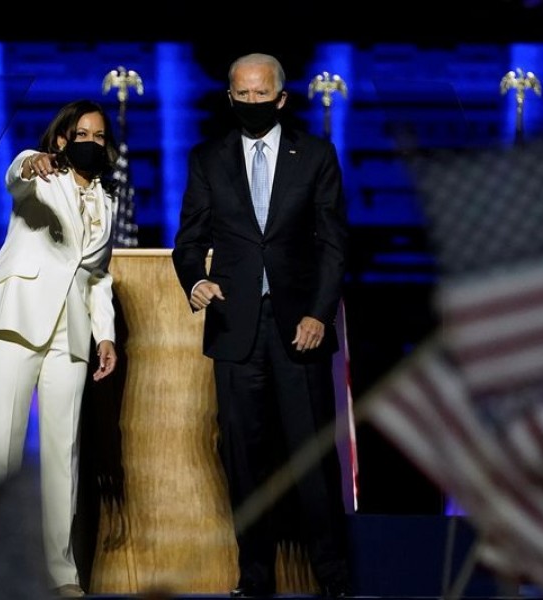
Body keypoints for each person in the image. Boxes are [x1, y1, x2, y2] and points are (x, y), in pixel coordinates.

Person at [172, 52, 351, 598]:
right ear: (230, 97)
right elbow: (189, 241)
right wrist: (194, 282)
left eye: (260, 94)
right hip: (235, 327)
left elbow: (334, 244)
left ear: (281, 97)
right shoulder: (208, 158)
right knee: (245, 461)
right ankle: (254, 580)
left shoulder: (316, 155)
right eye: (241, 95)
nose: (251, 103)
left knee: (311, 460)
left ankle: (335, 580)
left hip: (299, 327)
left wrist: (319, 313)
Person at [0, 99, 120, 598]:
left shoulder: (108, 202)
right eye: (82, 134)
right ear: (61, 140)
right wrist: (31, 161)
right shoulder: (37, 173)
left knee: (65, 451)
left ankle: (61, 573)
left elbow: (98, 275)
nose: (91, 143)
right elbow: (16, 175)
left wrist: (106, 335)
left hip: (71, 329)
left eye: (100, 137)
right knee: (3, 446)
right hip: (17, 315)